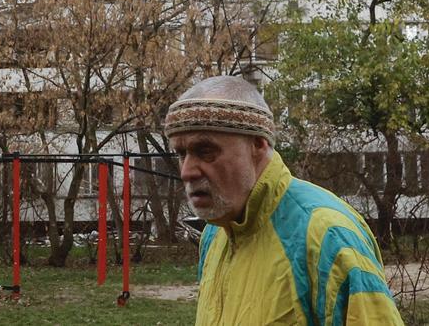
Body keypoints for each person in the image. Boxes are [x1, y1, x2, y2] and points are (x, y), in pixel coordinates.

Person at [165, 75, 403, 325]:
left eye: (205, 151)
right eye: (182, 154)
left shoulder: (328, 237)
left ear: (257, 143)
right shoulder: (214, 236)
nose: (187, 171)